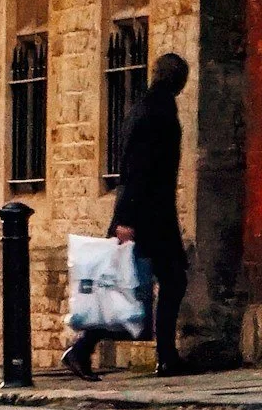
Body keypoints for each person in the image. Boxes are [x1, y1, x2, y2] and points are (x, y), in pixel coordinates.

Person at [63, 50, 192, 380]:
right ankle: (87, 350)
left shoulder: (147, 107)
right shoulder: (155, 112)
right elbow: (137, 169)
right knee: (154, 281)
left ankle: (160, 356)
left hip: (148, 213)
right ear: (179, 80)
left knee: (125, 283)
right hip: (146, 214)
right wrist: (125, 221)